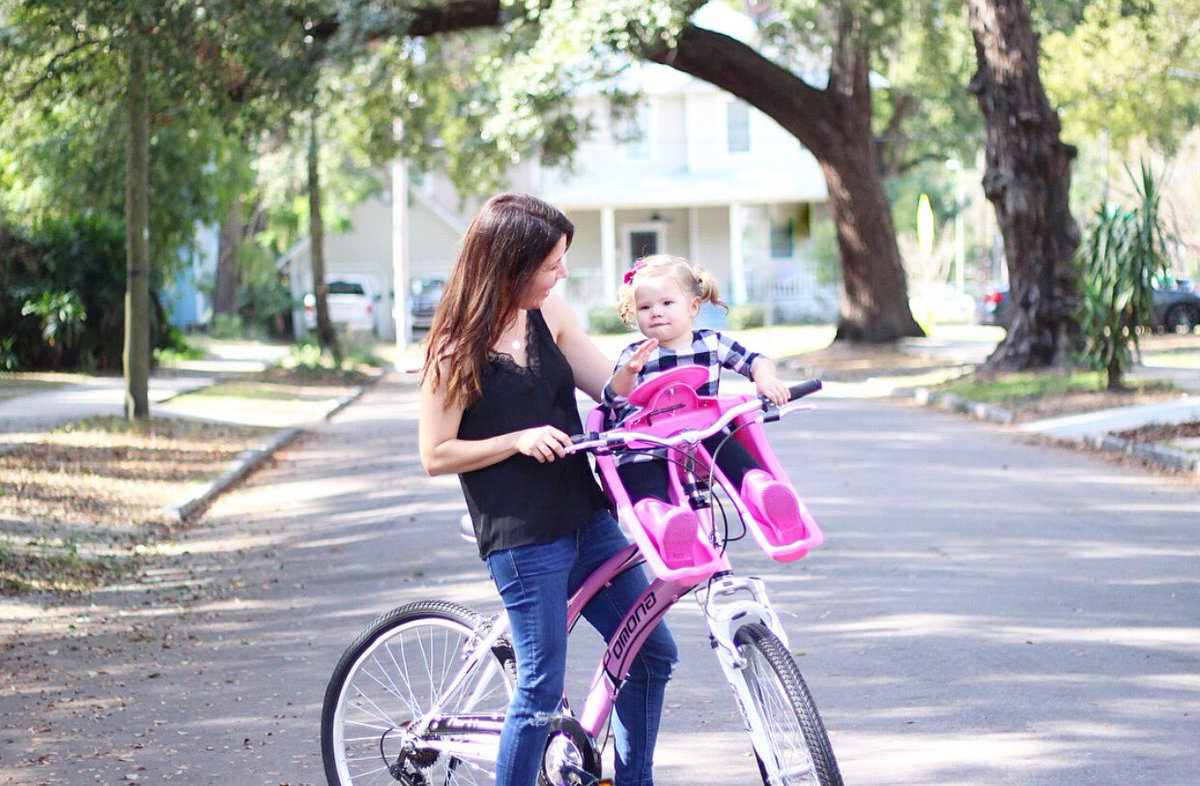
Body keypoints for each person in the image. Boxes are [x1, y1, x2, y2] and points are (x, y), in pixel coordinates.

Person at [418, 193, 677, 786]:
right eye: (551, 264)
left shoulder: (551, 314)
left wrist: (655, 375)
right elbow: (435, 455)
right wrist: (515, 440)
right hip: (521, 534)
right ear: (511, 264)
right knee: (540, 688)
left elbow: (610, 390)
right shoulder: (455, 349)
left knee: (651, 653)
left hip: (584, 514)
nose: (561, 274)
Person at [601, 254, 791, 507]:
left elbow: (756, 360)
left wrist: (765, 380)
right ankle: (662, 518)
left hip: (700, 436)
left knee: (726, 445)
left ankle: (761, 492)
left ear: (692, 307)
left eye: (667, 303)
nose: (656, 312)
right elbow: (612, 400)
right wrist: (629, 372)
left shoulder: (711, 343)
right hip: (648, 443)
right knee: (644, 483)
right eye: (645, 307)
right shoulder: (636, 354)